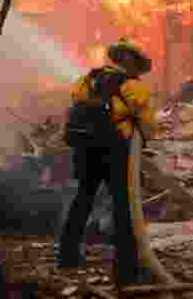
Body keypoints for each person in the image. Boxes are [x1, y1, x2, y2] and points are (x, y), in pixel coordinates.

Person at [58, 37, 156, 288]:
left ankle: (67, 257)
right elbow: (148, 125)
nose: (138, 70)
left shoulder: (88, 79)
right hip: (116, 151)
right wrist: (142, 139)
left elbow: (76, 99)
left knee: (83, 199)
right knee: (124, 207)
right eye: (137, 64)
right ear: (130, 60)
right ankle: (126, 271)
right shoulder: (134, 87)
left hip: (86, 149)